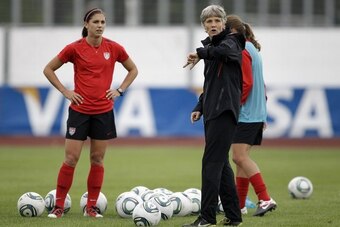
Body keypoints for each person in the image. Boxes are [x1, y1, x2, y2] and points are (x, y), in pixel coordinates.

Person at [43, 8, 138, 218]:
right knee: (71, 158)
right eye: (96, 22)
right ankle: (58, 206)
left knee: (97, 159)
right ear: (86, 24)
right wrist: (65, 91)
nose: (100, 25)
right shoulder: (74, 48)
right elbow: (48, 69)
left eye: (103, 22)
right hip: (79, 111)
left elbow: (133, 69)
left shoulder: (113, 48)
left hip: (104, 112)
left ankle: (91, 208)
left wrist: (119, 90)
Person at [183, 5, 245, 227]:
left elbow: (226, 52)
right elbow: (211, 84)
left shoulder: (232, 42)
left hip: (225, 111)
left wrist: (200, 53)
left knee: (210, 163)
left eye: (217, 20)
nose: (213, 25)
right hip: (212, 111)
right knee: (221, 165)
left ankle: (207, 217)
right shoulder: (211, 47)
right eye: (208, 22)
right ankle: (234, 216)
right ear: (203, 26)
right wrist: (199, 105)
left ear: (224, 23)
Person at [225, 15, 277, 217]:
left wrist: (234, 106)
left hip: (246, 113)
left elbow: (246, 84)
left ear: (232, 32)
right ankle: (239, 205)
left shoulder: (243, 50)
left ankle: (265, 198)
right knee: (240, 158)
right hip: (256, 112)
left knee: (238, 156)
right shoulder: (252, 49)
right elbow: (261, 84)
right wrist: (262, 111)